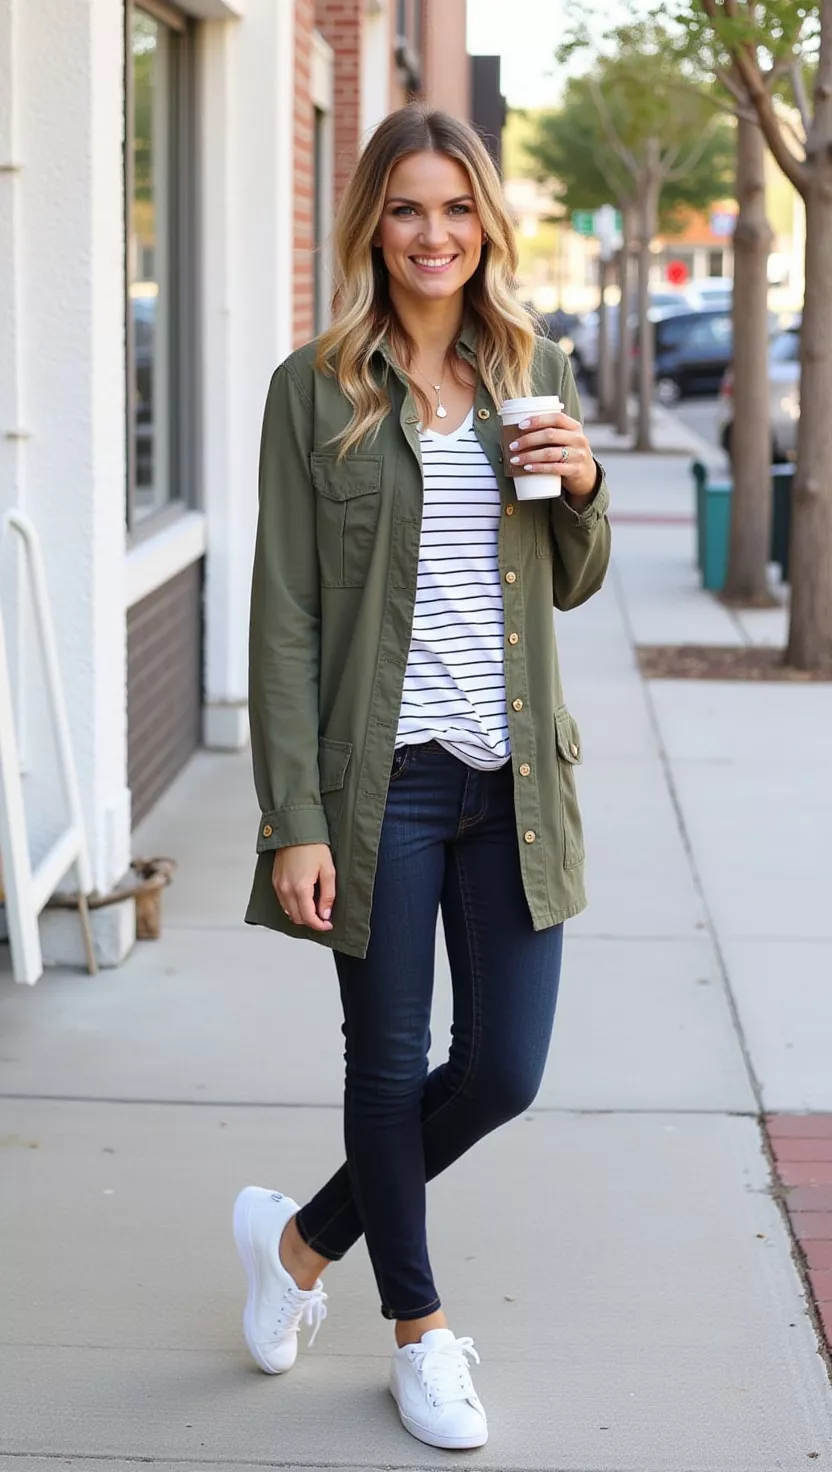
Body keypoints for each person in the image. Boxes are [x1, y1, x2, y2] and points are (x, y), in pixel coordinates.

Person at [236, 105, 611, 1452]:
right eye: (407, 209)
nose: (433, 234)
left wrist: (581, 490)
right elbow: (284, 615)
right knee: (388, 1070)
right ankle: (418, 1330)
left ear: (487, 226)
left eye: (456, 209)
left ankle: (297, 1243)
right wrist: (295, 819)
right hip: (377, 786)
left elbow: (573, 580)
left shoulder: (538, 371)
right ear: (372, 227)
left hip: (509, 789)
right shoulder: (315, 391)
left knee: (502, 1072)